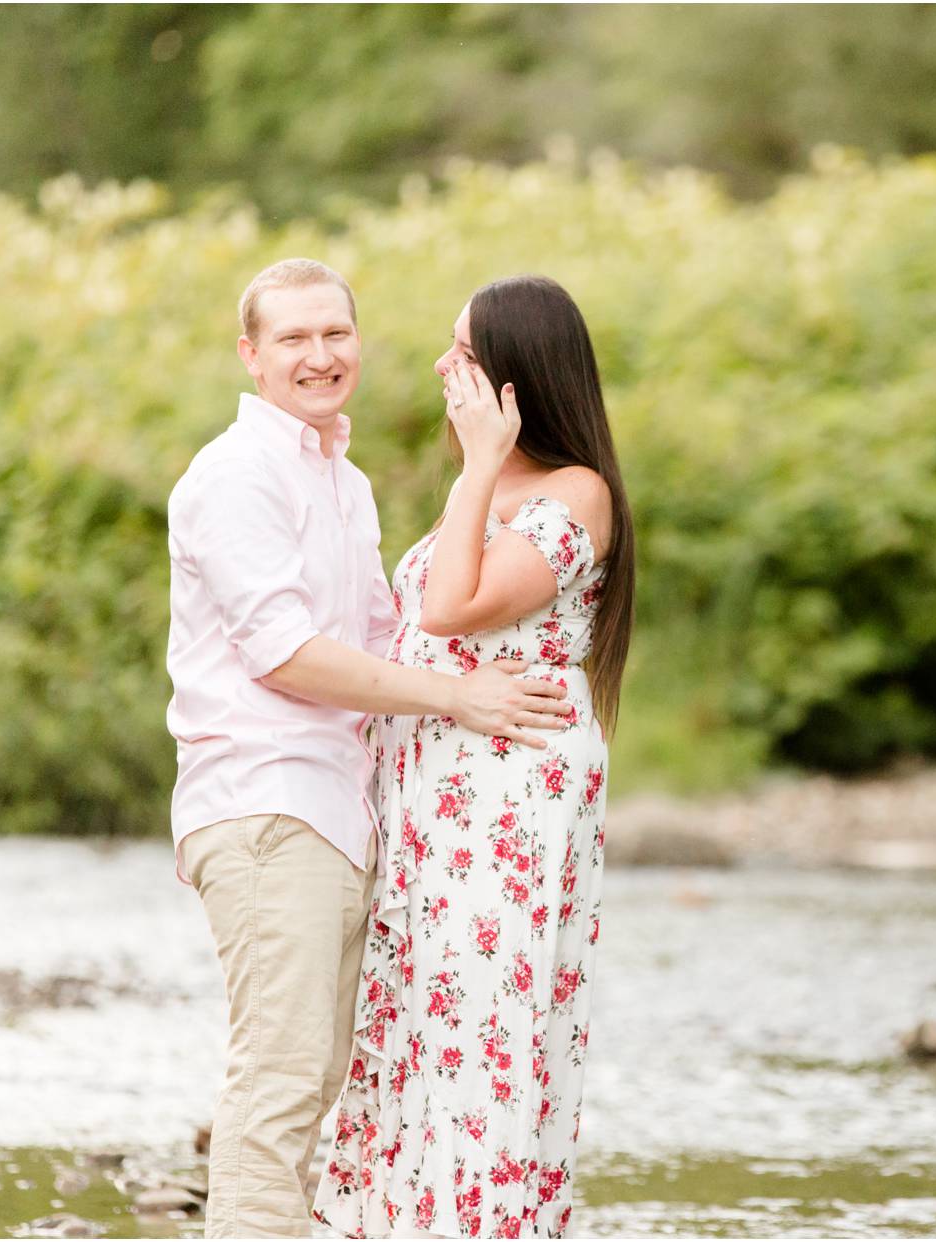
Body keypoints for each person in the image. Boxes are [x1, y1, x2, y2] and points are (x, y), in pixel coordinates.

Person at [166, 258, 576, 1239]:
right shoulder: (237, 474)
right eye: (294, 339)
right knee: (280, 1078)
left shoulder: (342, 480)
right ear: (251, 356)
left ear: (357, 343)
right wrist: (458, 698)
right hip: (268, 807)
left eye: (334, 335)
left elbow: (390, 637)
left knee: (317, 1082)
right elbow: (289, 658)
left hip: (338, 814)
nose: (318, 356)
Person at [313, 275, 634, 1239]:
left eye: (464, 352)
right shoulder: (493, 488)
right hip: (436, 798)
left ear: (517, 376)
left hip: (507, 795)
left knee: (481, 1024)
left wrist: (477, 467)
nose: (444, 369)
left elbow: (452, 609)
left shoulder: (576, 493)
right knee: (416, 1018)